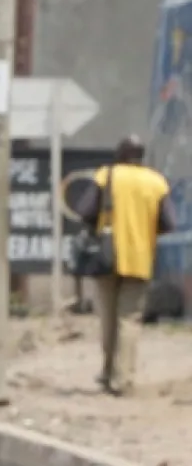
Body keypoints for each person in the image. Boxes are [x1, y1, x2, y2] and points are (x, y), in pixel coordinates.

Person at [81, 135, 176, 395]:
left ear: (119, 154)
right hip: (140, 258)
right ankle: (122, 380)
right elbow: (169, 223)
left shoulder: (106, 175)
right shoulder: (156, 182)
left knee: (108, 318)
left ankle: (107, 372)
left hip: (106, 257)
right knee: (129, 319)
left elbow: (85, 210)